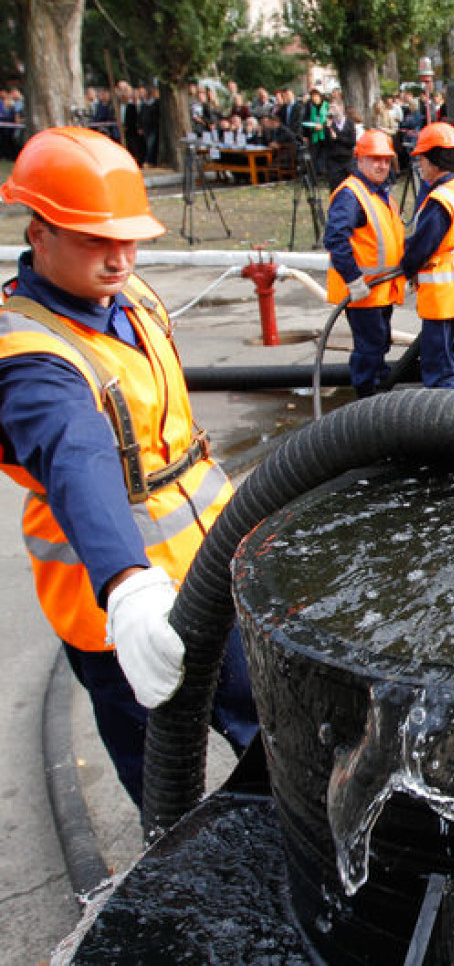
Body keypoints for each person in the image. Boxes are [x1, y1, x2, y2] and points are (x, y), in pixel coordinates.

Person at [0, 128, 258, 805]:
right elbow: (74, 454)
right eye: (95, 240)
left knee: (267, 732)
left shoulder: (132, 298)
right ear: (39, 233)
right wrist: (126, 582)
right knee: (162, 783)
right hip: (120, 614)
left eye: (129, 238)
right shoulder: (30, 356)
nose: (118, 258)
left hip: (210, 567)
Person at [399, 122, 454, 392]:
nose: (420, 166)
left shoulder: (440, 200)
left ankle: (443, 423)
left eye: (422, 160)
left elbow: (422, 245)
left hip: (442, 294)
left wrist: (405, 267)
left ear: (435, 161)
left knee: (439, 361)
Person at [324, 130, 406, 398]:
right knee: (369, 349)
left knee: (379, 344)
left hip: (380, 291)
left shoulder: (381, 194)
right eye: (375, 159)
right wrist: (353, 279)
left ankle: (378, 396)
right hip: (364, 291)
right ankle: (366, 402)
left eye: (385, 160)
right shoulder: (351, 194)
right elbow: (336, 239)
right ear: (359, 160)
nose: (382, 165)